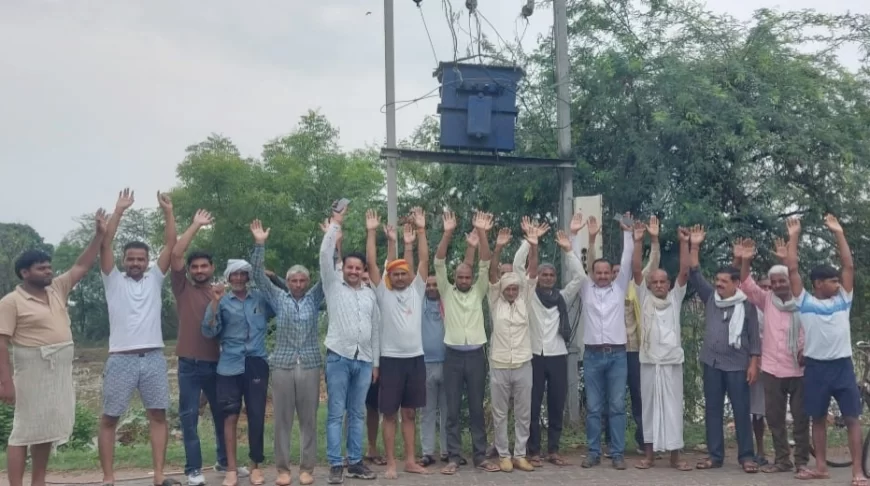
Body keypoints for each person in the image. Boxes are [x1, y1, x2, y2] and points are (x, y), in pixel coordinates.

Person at [0, 209, 106, 486]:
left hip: (59, 369)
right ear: (25, 273)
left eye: (49, 267)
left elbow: (82, 266)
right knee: (23, 431)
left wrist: (98, 236)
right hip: (31, 370)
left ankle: (39, 481)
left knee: (45, 429)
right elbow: (1, 343)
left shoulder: (57, 288)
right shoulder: (11, 302)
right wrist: (5, 382)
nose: (48, 271)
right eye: (41, 268)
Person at [98, 189, 180, 486]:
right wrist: (119, 210)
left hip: (153, 357)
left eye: (140, 259)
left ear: (147, 262)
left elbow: (171, 245)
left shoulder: (155, 279)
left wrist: (168, 212)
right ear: (123, 260)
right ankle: (109, 477)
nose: (135, 263)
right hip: (121, 359)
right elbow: (105, 243)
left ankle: (159, 475)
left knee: (158, 415)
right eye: (130, 259)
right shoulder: (112, 280)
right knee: (110, 418)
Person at [785, 215, 866, 484]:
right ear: (818, 283)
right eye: (832, 281)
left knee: (852, 418)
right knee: (818, 418)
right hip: (816, 367)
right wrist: (794, 236)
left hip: (842, 366)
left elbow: (848, 265)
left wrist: (838, 232)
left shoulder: (844, 299)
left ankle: (857, 472)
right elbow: (792, 269)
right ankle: (820, 466)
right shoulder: (804, 301)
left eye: (837, 280)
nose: (838, 284)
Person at [249, 229, 325, 486]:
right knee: (282, 420)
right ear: (287, 281)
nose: (298, 285)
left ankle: (307, 469)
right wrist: (260, 244)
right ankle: (282, 470)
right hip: (282, 365)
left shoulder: (314, 297)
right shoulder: (278, 297)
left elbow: (330, 273)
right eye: (294, 280)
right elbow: (257, 275)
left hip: (310, 364)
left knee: (308, 420)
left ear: (308, 281)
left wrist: (332, 241)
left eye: (302, 280)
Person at [688, 225, 761, 473]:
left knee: (741, 411)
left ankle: (746, 457)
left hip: (738, 365)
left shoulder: (747, 305)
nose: (718, 284)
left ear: (736, 284)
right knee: (713, 410)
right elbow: (695, 273)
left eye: (723, 281)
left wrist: (754, 364)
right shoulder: (711, 297)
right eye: (717, 280)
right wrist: (694, 246)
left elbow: (754, 338)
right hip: (712, 363)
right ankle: (715, 455)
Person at [513, 216, 585, 467]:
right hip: (533, 354)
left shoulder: (563, 296)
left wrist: (569, 251)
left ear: (555, 277)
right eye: (543, 274)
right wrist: (530, 242)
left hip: (557, 354)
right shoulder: (529, 294)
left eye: (551, 274)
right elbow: (517, 267)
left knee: (556, 404)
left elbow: (580, 277)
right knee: (532, 405)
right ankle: (533, 450)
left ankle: (553, 450)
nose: (546, 277)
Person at [365, 208, 430, 479]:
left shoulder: (417, 291)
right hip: (391, 361)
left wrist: (422, 230)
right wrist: (371, 232)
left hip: (415, 359)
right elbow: (371, 264)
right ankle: (391, 462)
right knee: (389, 414)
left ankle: (411, 461)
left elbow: (425, 259)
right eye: (396, 275)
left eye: (404, 274)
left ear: (409, 275)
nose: (400, 277)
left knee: (410, 413)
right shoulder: (383, 294)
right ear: (390, 277)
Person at [170, 209, 233, 486]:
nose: (198, 270)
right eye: (194, 267)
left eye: (203, 266)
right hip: (189, 364)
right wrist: (195, 224)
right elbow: (175, 254)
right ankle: (193, 469)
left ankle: (224, 461)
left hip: (217, 364)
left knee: (222, 415)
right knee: (189, 417)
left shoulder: (220, 294)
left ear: (211, 268)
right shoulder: (181, 287)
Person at [735, 237, 809, 474]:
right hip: (772, 369)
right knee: (775, 419)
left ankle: (802, 463)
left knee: (800, 419)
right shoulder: (767, 300)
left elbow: (813, 330)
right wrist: (746, 261)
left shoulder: (803, 301)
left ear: (790, 281)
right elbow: (746, 284)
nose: (777, 285)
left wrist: (806, 348)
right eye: (774, 281)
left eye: (781, 280)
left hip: (799, 369)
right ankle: (782, 460)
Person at [588, 214, 659, 457]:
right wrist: (589, 238)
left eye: (612, 272)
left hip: (627, 352)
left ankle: (630, 448)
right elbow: (586, 266)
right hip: (601, 353)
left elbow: (638, 262)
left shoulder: (627, 288)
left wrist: (636, 237)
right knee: (601, 404)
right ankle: (602, 448)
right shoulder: (592, 291)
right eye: (603, 272)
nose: (607, 276)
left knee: (627, 401)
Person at [203, 252, 275, 486]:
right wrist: (215, 301)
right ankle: (231, 469)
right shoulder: (222, 302)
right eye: (234, 274)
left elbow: (283, 301)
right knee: (230, 416)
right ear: (228, 277)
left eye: (243, 274)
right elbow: (209, 331)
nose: (239, 278)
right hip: (229, 365)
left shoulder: (260, 299)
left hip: (256, 363)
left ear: (248, 277)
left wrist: (272, 277)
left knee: (256, 415)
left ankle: (255, 467)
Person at [320, 203, 380, 484]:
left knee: (357, 413)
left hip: (364, 361)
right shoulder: (333, 286)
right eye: (349, 267)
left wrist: (375, 363)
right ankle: (336, 464)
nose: (354, 271)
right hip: (339, 358)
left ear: (363, 270)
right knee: (336, 413)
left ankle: (355, 462)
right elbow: (325, 253)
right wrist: (336, 222)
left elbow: (375, 330)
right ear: (342, 268)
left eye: (358, 268)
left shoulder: (369, 294)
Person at [435, 210, 498, 475]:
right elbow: (438, 261)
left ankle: (480, 457)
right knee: (452, 410)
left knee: (475, 409)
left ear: (471, 279)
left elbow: (485, 262)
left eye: (466, 277)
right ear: (454, 277)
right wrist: (447, 233)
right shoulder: (446, 291)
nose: (463, 280)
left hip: (475, 357)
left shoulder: (479, 291)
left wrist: (482, 233)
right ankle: (453, 457)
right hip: (452, 356)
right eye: (460, 277)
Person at [630, 219, 691, 471]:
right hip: (649, 361)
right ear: (649, 284)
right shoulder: (643, 297)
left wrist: (684, 242)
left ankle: (676, 457)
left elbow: (685, 271)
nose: (658, 285)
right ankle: (649, 456)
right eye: (654, 282)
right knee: (649, 409)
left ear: (668, 284)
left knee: (673, 408)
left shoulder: (676, 298)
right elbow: (636, 270)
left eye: (662, 282)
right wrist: (638, 240)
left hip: (672, 362)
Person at [576, 213, 635, 470]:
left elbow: (627, 257)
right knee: (593, 408)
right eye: (598, 272)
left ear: (612, 274)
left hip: (617, 356)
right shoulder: (585, 288)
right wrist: (582, 236)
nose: (602, 276)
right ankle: (593, 452)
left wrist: (627, 232)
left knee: (617, 406)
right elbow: (577, 261)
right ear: (592, 273)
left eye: (605, 272)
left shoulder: (619, 288)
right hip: (592, 356)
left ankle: (617, 453)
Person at [487, 220, 546, 472]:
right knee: (500, 413)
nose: (511, 291)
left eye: (514, 288)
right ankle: (503, 454)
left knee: (523, 412)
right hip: (499, 364)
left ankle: (520, 454)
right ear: (502, 289)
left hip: (523, 363)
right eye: (508, 288)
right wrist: (498, 249)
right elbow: (492, 274)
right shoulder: (494, 301)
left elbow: (532, 273)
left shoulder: (525, 299)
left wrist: (534, 246)